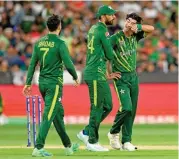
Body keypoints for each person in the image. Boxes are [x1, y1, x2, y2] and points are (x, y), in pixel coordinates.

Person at [23, 14, 79, 157]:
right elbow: (69, 64)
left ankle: (68, 146)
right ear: (59, 26)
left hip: (42, 83)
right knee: (49, 115)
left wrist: (28, 82)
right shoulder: (60, 43)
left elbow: (32, 64)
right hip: (54, 85)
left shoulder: (39, 43)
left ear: (47, 27)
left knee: (57, 115)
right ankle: (38, 147)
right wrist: (75, 76)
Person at [107, 13, 154, 151]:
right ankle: (113, 132)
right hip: (121, 77)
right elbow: (104, 54)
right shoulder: (115, 38)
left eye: (132, 22)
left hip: (133, 77)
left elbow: (151, 28)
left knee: (131, 110)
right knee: (126, 107)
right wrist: (107, 74)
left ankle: (126, 141)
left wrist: (137, 27)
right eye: (127, 20)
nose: (128, 23)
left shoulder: (136, 35)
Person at [77, 5, 120, 152]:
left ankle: (86, 132)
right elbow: (109, 54)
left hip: (99, 73)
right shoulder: (102, 30)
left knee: (108, 106)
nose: (114, 17)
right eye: (111, 14)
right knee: (97, 108)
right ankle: (92, 142)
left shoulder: (93, 29)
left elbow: (99, 51)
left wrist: (106, 73)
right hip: (95, 74)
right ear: (103, 16)